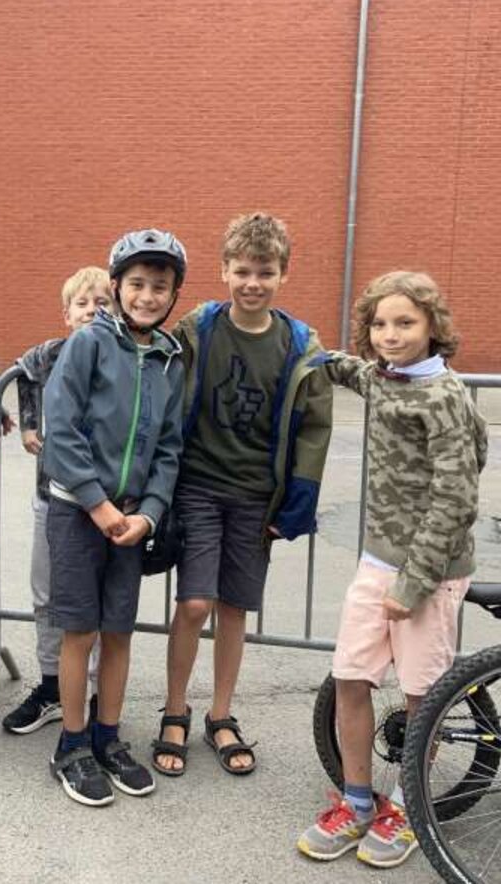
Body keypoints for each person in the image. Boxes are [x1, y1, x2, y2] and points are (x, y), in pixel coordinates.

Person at [296, 270, 486, 868]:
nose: (390, 334)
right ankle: (357, 801)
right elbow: (349, 370)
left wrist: (415, 582)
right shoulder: (381, 377)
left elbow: (456, 497)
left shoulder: (445, 395)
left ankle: (407, 808)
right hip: (377, 560)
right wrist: (306, 348)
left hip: (428, 573)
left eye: (405, 322)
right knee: (351, 677)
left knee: (421, 696)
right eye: (379, 324)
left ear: (433, 326)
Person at [152, 213, 333, 777]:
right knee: (194, 603)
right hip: (199, 486)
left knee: (234, 608)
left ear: (283, 275)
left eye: (265, 272)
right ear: (224, 271)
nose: (253, 283)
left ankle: (220, 713)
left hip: (257, 495)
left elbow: (314, 427)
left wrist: (298, 504)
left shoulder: (299, 344)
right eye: (243, 271)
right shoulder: (199, 329)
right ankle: (174, 709)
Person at [43, 229, 185, 807]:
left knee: (119, 632)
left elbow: (169, 447)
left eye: (160, 287)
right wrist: (97, 505)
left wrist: (149, 514)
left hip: (130, 521)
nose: (147, 296)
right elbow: (61, 429)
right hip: (79, 512)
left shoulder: (169, 359)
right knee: (80, 631)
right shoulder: (88, 344)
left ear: (173, 294)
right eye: (137, 284)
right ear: (117, 286)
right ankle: (72, 743)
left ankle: (108, 735)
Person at [2, 266, 113, 735]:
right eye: (82, 304)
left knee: (99, 601)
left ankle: (96, 690)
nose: (91, 311)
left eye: (102, 303)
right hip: (52, 497)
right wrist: (30, 423)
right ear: (66, 314)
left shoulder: (121, 359)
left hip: (107, 501)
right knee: (46, 594)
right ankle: (52, 685)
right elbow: (25, 369)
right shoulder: (52, 354)